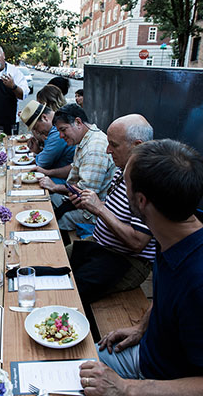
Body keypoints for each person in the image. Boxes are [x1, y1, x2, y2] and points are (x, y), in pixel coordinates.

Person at [80, 139, 203, 395]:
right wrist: (141, 328)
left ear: (141, 200)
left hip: (160, 383)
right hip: (146, 354)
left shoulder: (197, 280)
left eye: (124, 182)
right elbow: (164, 294)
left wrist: (126, 388)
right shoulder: (172, 231)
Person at [66, 114, 156, 304]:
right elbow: (114, 213)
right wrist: (89, 204)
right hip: (99, 246)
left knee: (69, 292)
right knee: (52, 261)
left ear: (137, 146)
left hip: (124, 261)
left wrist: (99, 209)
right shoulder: (123, 169)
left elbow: (137, 242)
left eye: (113, 145)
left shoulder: (150, 181)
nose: (107, 150)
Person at [39, 104, 115, 233]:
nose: (61, 136)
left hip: (91, 214)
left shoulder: (94, 149)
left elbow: (84, 194)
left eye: (63, 130)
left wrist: (55, 187)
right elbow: (74, 173)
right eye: (58, 131)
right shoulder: (85, 139)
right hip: (78, 201)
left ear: (78, 122)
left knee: (48, 223)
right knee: (44, 202)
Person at [20, 100, 75, 184]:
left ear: (44, 117)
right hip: (63, 172)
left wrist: (38, 153)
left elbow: (42, 163)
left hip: (67, 180)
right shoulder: (56, 125)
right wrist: (38, 151)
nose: (37, 132)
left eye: (35, 128)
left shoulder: (56, 132)